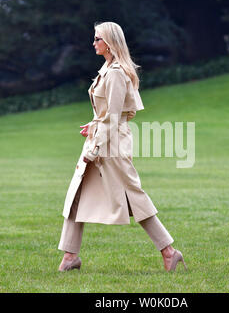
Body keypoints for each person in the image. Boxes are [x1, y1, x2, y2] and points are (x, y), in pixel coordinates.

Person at [57, 21, 187, 272]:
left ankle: (169, 251)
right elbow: (108, 113)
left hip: (110, 146)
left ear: (110, 42)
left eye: (98, 39)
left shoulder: (116, 72)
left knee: (132, 196)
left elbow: (115, 117)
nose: (93, 43)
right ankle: (70, 256)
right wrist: (93, 125)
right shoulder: (107, 68)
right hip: (101, 139)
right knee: (76, 194)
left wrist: (94, 148)